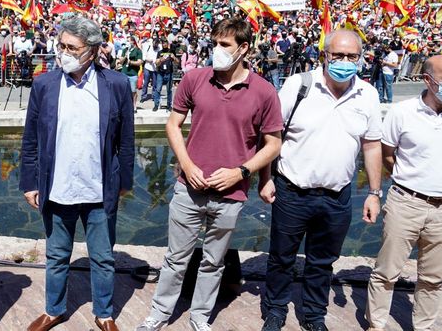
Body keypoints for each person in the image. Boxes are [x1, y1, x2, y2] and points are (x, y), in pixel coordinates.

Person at [137, 17, 283, 331]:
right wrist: (187, 166)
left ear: (243, 48)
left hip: (232, 193)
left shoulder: (265, 92)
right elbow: (172, 126)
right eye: (214, 42)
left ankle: (200, 317)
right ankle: (159, 314)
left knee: (214, 261)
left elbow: (273, 144)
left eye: (224, 44)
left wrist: (240, 172)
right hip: (188, 188)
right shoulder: (194, 79)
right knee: (176, 257)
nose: (216, 49)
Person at [260, 30, 384, 331]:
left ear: (361, 58)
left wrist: (374, 192)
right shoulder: (298, 85)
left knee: (322, 262)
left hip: (336, 196)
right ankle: (275, 310)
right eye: (338, 55)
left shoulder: (367, 94)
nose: (344, 61)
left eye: (352, 56)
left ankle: (314, 315)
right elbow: (271, 134)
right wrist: (266, 177)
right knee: (281, 257)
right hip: (292, 191)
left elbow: (372, 144)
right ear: (324, 55)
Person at [20, 14, 134, 331]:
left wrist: (124, 182)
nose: (64, 52)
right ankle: (54, 310)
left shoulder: (117, 85)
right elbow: (30, 139)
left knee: (103, 257)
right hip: (57, 189)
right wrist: (30, 183)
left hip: (99, 189)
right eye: (61, 45)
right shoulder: (44, 84)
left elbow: (126, 139)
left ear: (92, 52)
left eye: (73, 47)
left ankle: (104, 313)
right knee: (57, 256)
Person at [366, 55, 442, 331]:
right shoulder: (402, 112)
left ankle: (423, 326)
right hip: (405, 201)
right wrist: (415, 178)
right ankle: (376, 323)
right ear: (428, 80)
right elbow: (388, 155)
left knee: (434, 277)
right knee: (386, 271)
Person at [119, 36, 143, 111]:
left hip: (133, 74)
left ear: (133, 41)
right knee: (123, 91)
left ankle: (134, 105)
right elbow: (121, 61)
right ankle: (124, 106)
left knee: (133, 91)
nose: (128, 42)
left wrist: (131, 62)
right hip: (124, 72)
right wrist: (125, 56)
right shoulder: (125, 50)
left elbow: (139, 62)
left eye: (129, 41)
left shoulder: (138, 51)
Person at [152, 38, 177, 112]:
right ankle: (156, 105)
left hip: (169, 73)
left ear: (167, 44)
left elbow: (177, 62)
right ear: (162, 44)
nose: (164, 44)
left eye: (165, 43)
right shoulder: (159, 52)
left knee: (169, 90)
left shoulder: (171, 52)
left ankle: (169, 105)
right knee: (158, 89)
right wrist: (160, 60)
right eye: (163, 43)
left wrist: (174, 58)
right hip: (160, 73)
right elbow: (156, 62)